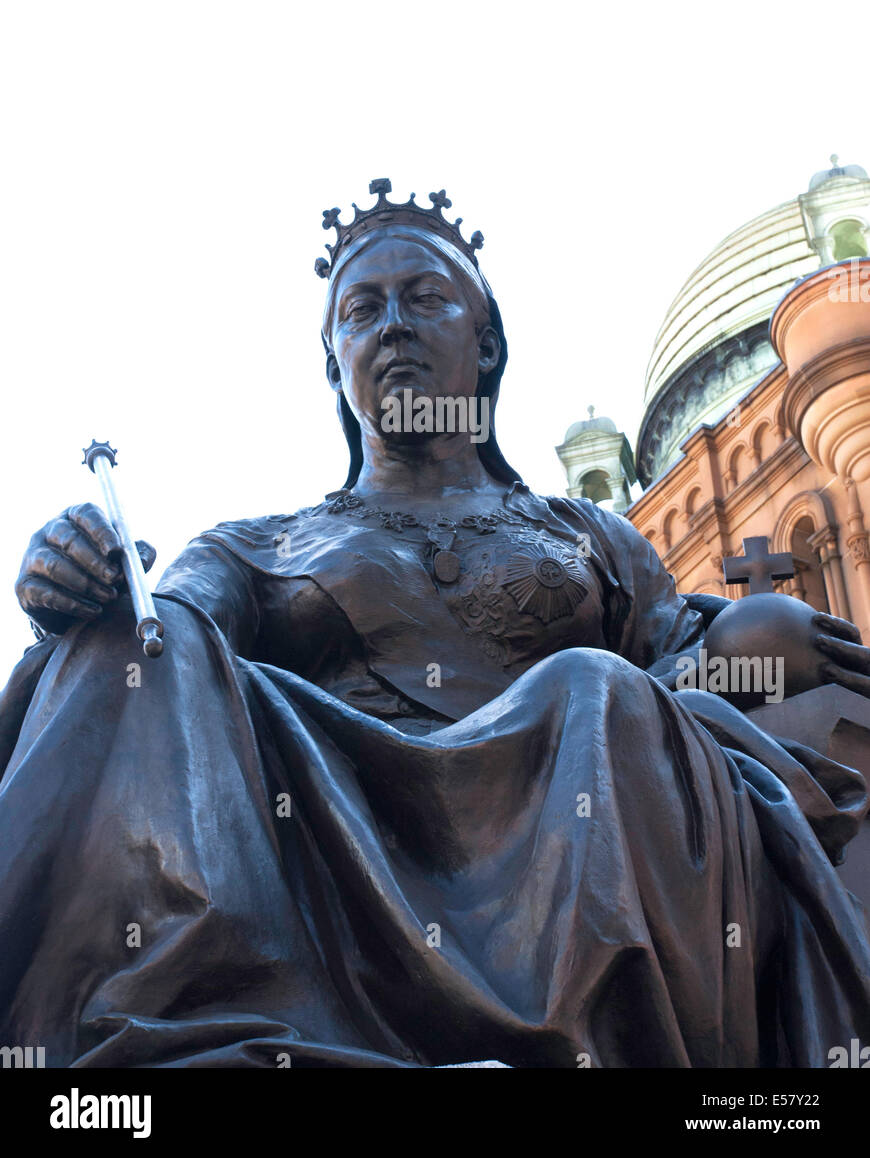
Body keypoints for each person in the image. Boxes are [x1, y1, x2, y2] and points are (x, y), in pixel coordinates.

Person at [3, 180, 870, 1068]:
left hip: (562, 811)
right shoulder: (257, 546)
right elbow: (166, 643)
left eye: (425, 298)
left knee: (597, 689)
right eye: (361, 310)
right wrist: (82, 586)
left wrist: (746, 648)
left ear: (485, 343)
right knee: (132, 643)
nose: (392, 326)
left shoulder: (588, 535)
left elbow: (675, 672)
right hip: (338, 831)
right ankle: (185, 1027)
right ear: (334, 359)